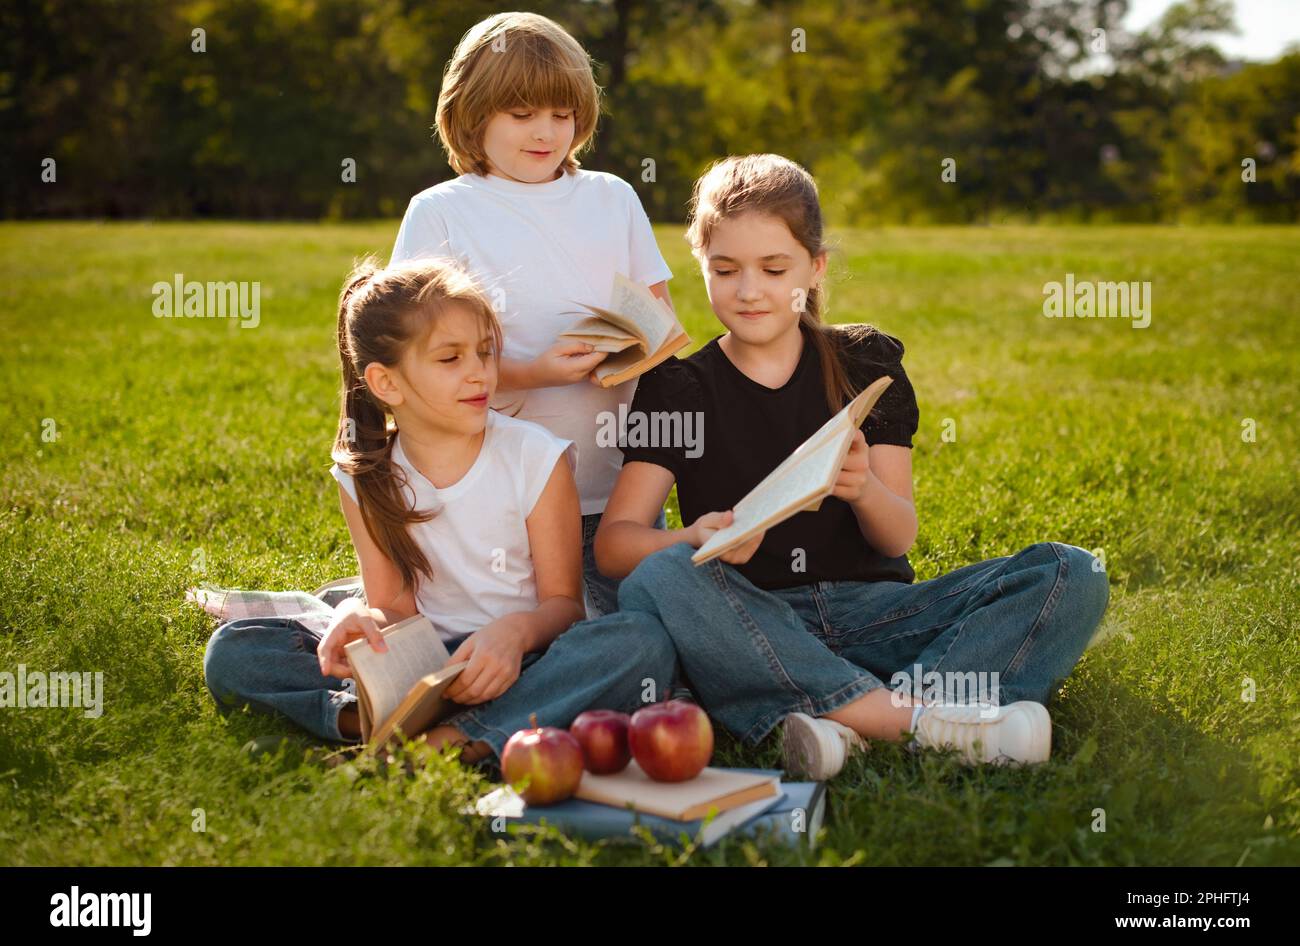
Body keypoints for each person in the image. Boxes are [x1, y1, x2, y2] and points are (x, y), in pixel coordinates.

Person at [419, 155, 1111, 779]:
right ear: (701, 266)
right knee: (662, 579)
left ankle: (837, 715)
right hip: (744, 617)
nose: (749, 291)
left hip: (872, 611)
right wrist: (688, 540)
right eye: (724, 271)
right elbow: (619, 544)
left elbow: (898, 538)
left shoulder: (866, 362)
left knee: (1070, 572)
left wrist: (863, 487)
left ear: (816, 267)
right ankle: (925, 719)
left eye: (774, 270)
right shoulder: (681, 387)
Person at [204, 257, 588, 749]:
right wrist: (361, 620)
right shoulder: (364, 477)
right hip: (422, 666)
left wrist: (514, 634)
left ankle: (425, 739)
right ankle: (385, 727)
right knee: (236, 650)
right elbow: (395, 609)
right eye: (451, 359)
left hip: (527, 657)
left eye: (485, 352)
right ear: (386, 383)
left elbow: (565, 607)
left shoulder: (535, 456)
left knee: (631, 644)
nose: (480, 374)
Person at [388, 11, 675, 616]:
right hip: (497, 505)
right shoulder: (442, 211)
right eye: (521, 115)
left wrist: (630, 353)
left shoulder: (612, 197)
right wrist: (535, 371)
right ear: (471, 114)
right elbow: (419, 368)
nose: (546, 132)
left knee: (645, 628)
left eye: (562, 115)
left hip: (615, 495)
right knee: (538, 626)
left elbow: (657, 319)